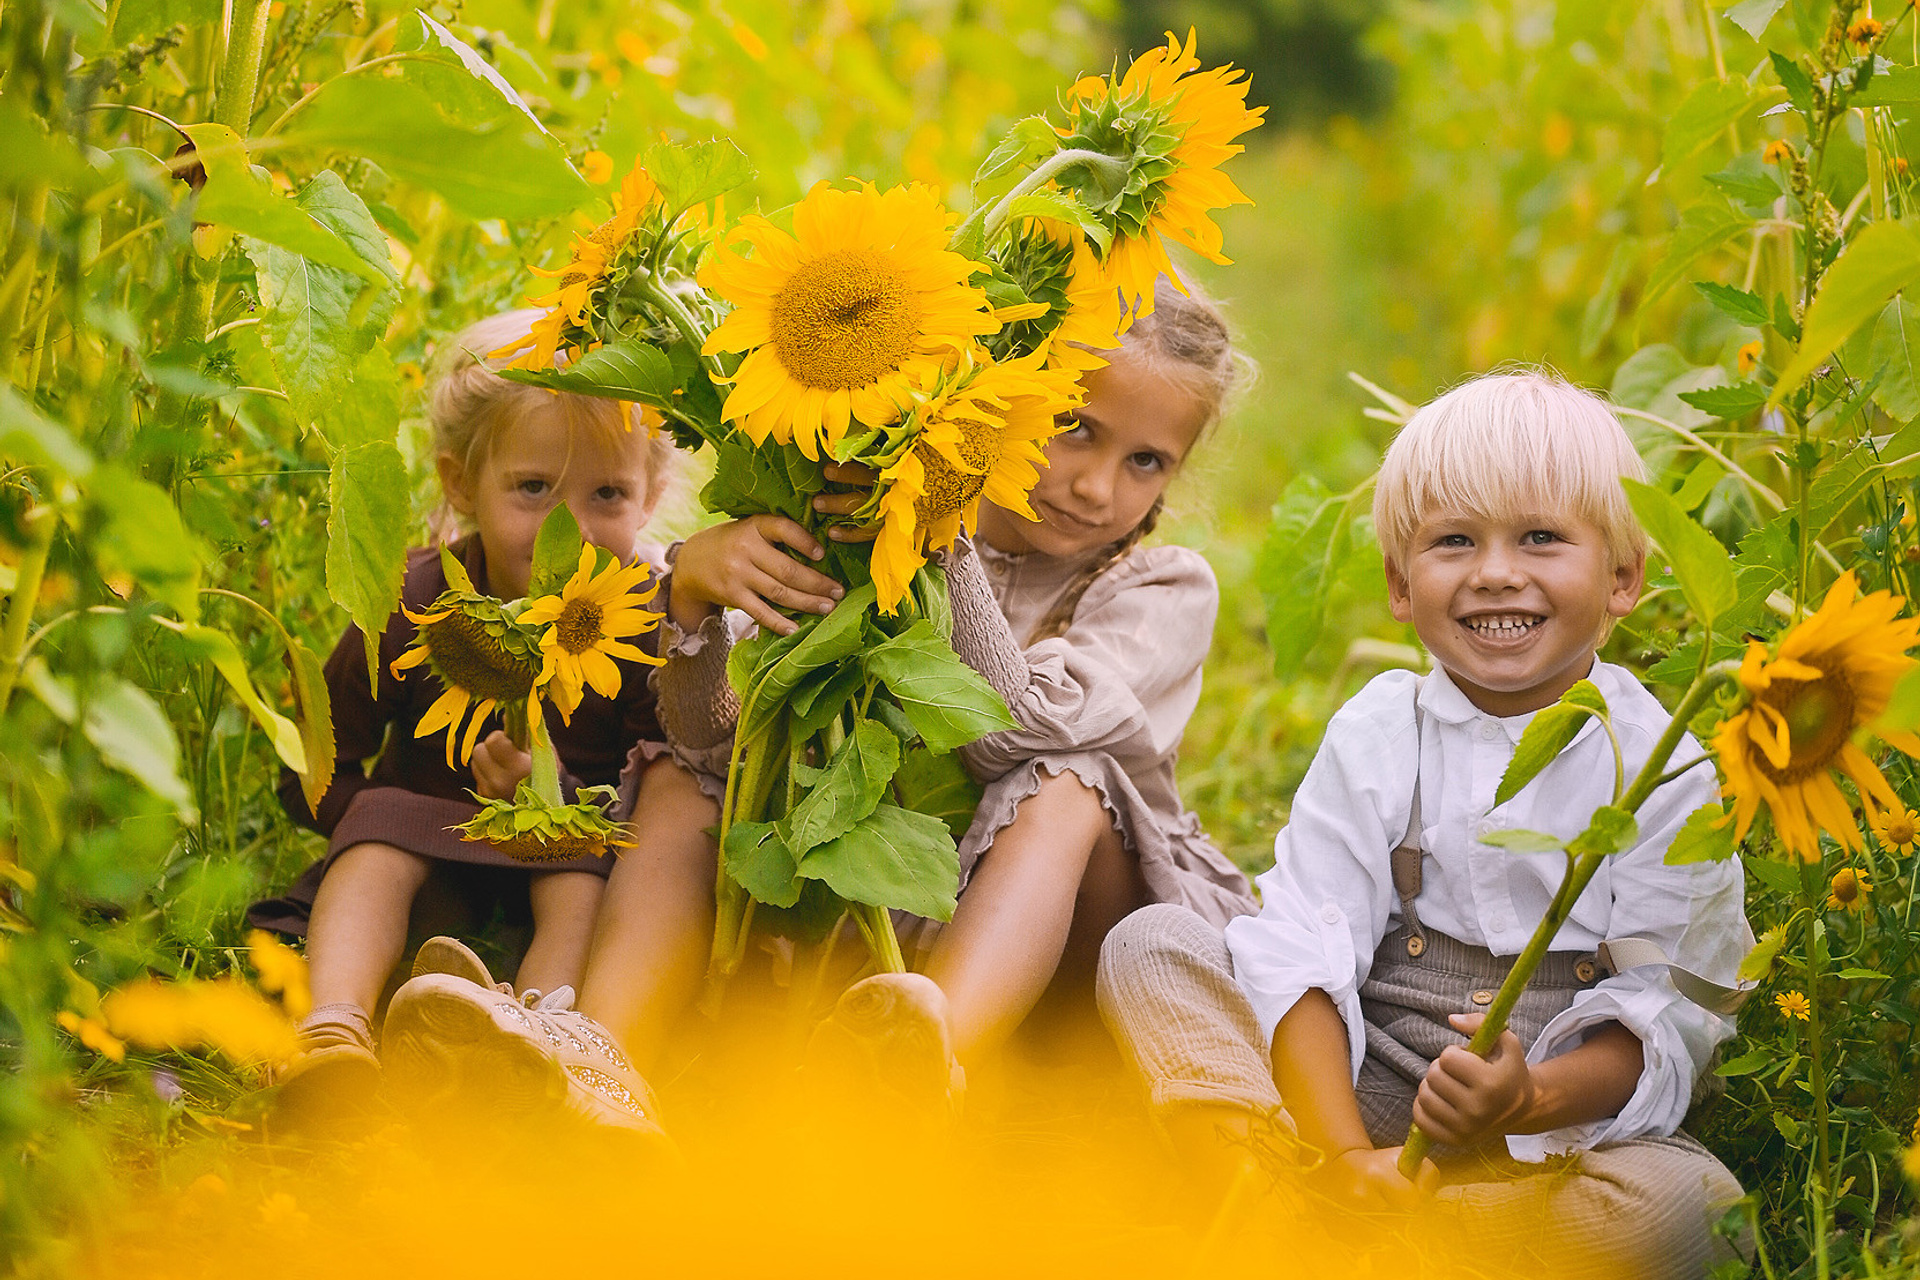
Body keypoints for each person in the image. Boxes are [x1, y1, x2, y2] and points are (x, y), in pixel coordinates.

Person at [379, 273, 1258, 1130]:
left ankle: (929, 1067)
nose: (1097, 487)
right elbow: (718, 744)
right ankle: (598, 1058)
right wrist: (688, 594)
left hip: (1061, 943)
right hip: (864, 925)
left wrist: (930, 532)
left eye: (1146, 461)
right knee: (681, 782)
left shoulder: (1161, 589)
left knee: (1067, 780)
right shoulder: (862, 523)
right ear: (999, 402)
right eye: (1072, 429)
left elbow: (1002, 733)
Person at [1096, 371, 1752, 1278]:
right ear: (1402, 587)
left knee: (1696, 1209)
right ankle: (1292, 1187)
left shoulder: (1662, 766)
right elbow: (1302, 949)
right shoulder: (1380, 731)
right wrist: (1343, 1151)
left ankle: (1377, 1246)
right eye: (1454, 541)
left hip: (1558, 1132)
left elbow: (1669, 1017)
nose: (1494, 571)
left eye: (1541, 537)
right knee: (1153, 945)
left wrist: (1527, 1095)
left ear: (1623, 578)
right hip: (1365, 1082)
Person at [249, 309, 681, 1111]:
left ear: (651, 497)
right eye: (532, 488)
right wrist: (364, 815)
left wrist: (550, 802)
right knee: (378, 838)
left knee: (582, 884)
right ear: (460, 484)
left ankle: (536, 1038)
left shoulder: (644, 622)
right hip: (427, 860)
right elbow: (319, 755)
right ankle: (331, 1028)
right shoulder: (416, 599)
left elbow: (657, 773)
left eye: (608, 493)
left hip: (564, 858)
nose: (569, 526)